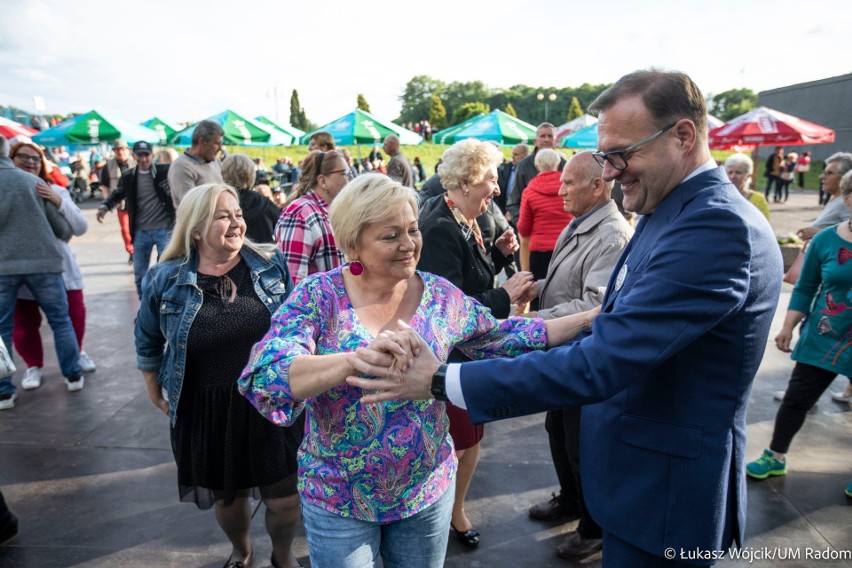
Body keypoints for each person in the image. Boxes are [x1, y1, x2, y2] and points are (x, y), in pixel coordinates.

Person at [348, 70, 784, 567]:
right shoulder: (674, 211)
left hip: (663, 495)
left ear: (683, 136)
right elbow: (613, 318)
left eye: (621, 153)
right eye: (605, 157)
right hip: (639, 485)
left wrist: (442, 379)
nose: (612, 171)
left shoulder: (713, 227)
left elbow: (601, 363)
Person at [238, 174, 598, 568]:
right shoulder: (318, 296)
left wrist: (587, 320)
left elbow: (502, 334)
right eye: (390, 236)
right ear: (352, 242)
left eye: (412, 229)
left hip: (425, 492)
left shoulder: (439, 294)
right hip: (340, 497)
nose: (409, 244)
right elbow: (268, 374)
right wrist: (353, 360)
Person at [134, 184, 304, 568]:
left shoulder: (269, 264)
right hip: (206, 407)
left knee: (285, 498)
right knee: (230, 496)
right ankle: (241, 551)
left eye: (238, 214)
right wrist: (152, 386)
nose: (236, 223)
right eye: (223, 216)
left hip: (268, 401)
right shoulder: (165, 278)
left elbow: (295, 326)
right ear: (196, 228)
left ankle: (282, 555)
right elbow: (146, 335)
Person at [417, 139, 536, 548]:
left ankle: (452, 510)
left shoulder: (463, 218)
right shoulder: (439, 228)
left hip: (467, 354)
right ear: (466, 181)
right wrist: (507, 296)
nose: (498, 189)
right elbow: (449, 310)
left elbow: (469, 282)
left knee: (470, 443)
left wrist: (501, 259)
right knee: (461, 445)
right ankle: (446, 513)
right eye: (491, 179)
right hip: (451, 356)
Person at [522, 151, 633, 560]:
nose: (559, 188)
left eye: (569, 182)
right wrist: (538, 289)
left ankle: (594, 528)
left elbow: (595, 305)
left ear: (598, 186)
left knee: (581, 445)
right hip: (564, 353)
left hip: (584, 357)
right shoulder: (583, 222)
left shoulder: (612, 236)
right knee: (558, 431)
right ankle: (570, 501)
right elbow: (571, 281)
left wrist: (534, 324)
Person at [746, 170, 852, 501]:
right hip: (823, 335)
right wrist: (787, 326)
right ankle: (775, 455)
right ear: (847, 198)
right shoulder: (825, 241)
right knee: (796, 399)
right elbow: (806, 288)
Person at [0, 135, 83, 410]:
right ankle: (73, 374)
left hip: (5, 266)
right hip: (45, 265)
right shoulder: (32, 184)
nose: (30, 163)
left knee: (3, 329)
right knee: (61, 321)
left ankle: (4, 391)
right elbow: (64, 230)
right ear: (7, 153)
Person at [97, 141, 175, 299]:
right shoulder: (129, 176)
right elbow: (119, 192)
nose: (143, 159)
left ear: (152, 156)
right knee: (140, 274)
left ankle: (162, 307)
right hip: (140, 232)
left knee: (165, 272)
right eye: (140, 155)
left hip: (164, 230)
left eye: (146, 155)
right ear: (134, 156)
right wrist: (105, 206)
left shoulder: (164, 171)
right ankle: (144, 310)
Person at [274, 150, 350, 285]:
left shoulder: (334, 211)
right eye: (344, 174)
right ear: (323, 181)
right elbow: (293, 282)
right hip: (314, 305)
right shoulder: (300, 214)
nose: (350, 180)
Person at [517, 148, 574, 309]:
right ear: (558, 164)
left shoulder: (530, 191)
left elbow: (524, 227)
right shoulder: (567, 187)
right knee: (565, 294)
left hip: (539, 251)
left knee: (539, 298)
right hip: (566, 247)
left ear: (537, 166)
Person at [505, 123, 565, 222]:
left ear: (555, 140)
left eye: (550, 136)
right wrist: (522, 226)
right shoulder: (523, 166)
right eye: (542, 136)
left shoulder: (565, 165)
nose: (546, 139)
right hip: (532, 228)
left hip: (560, 228)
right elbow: (513, 202)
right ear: (535, 141)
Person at [221, 154, 280, 243]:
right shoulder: (266, 204)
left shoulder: (217, 203)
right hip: (262, 253)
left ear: (224, 174)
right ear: (252, 175)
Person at [795, 153, 852, 242]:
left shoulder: (846, 203)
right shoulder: (836, 200)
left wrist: (818, 233)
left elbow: (850, 236)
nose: (821, 177)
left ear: (845, 177)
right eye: (823, 173)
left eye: (829, 173)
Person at [168, 120, 225, 207]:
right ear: (201, 141)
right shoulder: (181, 166)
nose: (220, 149)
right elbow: (191, 205)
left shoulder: (215, 161)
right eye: (217, 143)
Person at [100, 139, 136, 263]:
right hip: (120, 203)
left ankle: (137, 249)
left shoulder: (135, 163)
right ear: (115, 151)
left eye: (123, 149)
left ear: (127, 150)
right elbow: (104, 185)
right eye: (118, 150)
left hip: (135, 202)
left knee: (136, 228)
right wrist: (107, 202)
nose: (121, 152)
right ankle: (131, 251)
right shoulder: (109, 166)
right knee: (125, 229)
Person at [724, 153, 770, 220]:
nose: (733, 176)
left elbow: (765, 225)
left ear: (748, 175)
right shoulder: (720, 198)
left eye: (738, 172)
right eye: (730, 172)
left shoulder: (758, 199)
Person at [496, 143, 529, 213]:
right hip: (502, 211)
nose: (512, 157)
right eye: (513, 154)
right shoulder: (504, 169)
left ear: (525, 156)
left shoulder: (528, 172)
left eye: (516, 154)